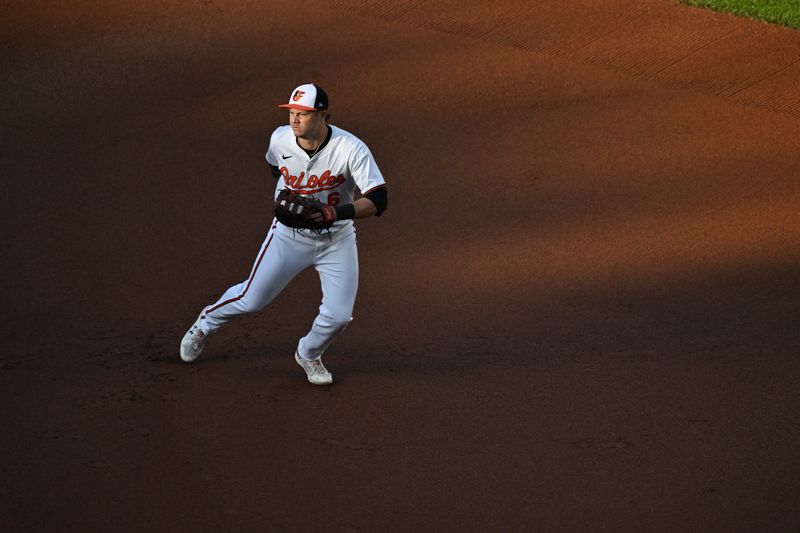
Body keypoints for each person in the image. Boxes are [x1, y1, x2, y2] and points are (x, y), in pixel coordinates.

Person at [179, 83, 388, 385]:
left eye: (303, 113)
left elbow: (379, 199)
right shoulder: (280, 139)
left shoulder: (351, 148)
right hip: (289, 237)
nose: (294, 119)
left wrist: (333, 213)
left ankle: (309, 352)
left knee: (339, 317)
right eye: (291, 112)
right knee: (252, 299)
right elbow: (275, 168)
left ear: (323, 115)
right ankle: (204, 324)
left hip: (336, 239)